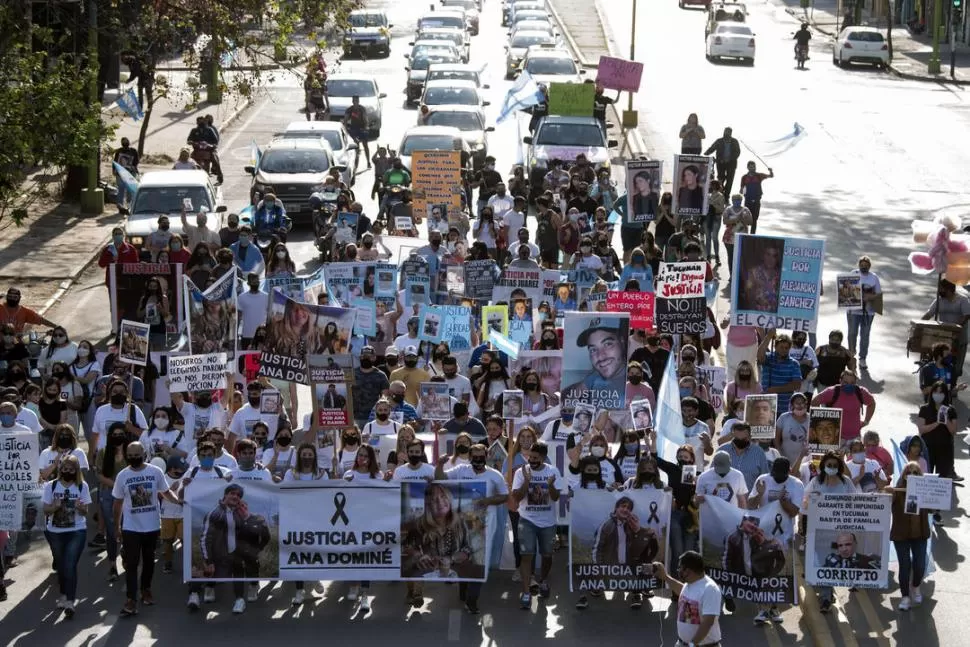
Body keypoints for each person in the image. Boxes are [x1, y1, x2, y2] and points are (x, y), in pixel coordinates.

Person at [435, 443, 510, 614]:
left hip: (485, 524)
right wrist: (439, 465)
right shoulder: (461, 470)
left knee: (479, 560)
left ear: (486, 456)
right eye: (474, 457)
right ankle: (464, 588)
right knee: (463, 557)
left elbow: (505, 496)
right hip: (461, 523)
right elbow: (441, 479)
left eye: (481, 456)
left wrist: (488, 501)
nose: (478, 460)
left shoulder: (494, 475)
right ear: (469, 457)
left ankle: (472, 599)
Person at [112, 442, 174, 617]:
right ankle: (131, 599)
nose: (133, 458)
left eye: (136, 454)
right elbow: (117, 503)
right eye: (130, 455)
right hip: (131, 528)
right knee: (131, 564)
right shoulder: (122, 476)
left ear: (144, 453)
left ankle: (146, 589)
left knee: (148, 562)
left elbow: (166, 492)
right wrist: (116, 526)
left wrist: (180, 502)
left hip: (152, 526)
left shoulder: (155, 472)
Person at [198, 483, 271, 615]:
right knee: (214, 575)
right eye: (232, 493)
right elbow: (205, 538)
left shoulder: (239, 515)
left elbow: (259, 534)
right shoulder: (215, 513)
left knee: (239, 574)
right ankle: (206, 589)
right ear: (225, 494)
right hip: (220, 555)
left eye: (238, 495)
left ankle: (239, 600)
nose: (235, 497)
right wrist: (208, 560)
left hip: (236, 554)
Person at [802, 450, 859, 612]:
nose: (832, 467)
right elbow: (805, 503)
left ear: (839, 467)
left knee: (833, 561)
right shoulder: (815, 482)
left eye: (835, 465)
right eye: (829, 465)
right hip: (819, 530)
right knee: (822, 561)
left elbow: (855, 502)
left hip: (839, 532)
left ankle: (828, 592)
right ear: (823, 466)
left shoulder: (846, 482)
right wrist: (813, 498)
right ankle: (826, 597)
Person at [511, 441, 564, 608]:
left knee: (547, 555)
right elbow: (516, 498)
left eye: (535, 458)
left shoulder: (553, 471)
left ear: (543, 457)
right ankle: (526, 593)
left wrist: (550, 486)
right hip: (527, 520)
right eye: (530, 457)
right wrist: (527, 482)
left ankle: (543, 580)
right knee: (527, 556)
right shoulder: (521, 472)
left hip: (548, 523)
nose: (531, 460)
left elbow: (555, 498)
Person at [42, 454, 90, 617]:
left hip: (76, 531)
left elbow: (85, 512)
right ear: (60, 469)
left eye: (70, 469)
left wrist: (80, 508)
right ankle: (63, 594)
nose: (67, 471)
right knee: (62, 566)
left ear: (76, 471)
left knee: (70, 565)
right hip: (55, 532)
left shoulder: (82, 486)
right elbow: (45, 510)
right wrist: (55, 507)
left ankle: (70, 601)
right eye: (64, 468)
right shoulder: (51, 486)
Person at [886, 461, 931, 610]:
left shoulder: (925, 492)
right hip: (901, 536)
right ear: (904, 476)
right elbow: (885, 500)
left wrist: (935, 498)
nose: (912, 475)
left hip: (920, 535)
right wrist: (888, 490)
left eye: (916, 473)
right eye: (908, 472)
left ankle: (916, 586)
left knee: (919, 565)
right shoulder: (897, 492)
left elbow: (933, 508)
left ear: (920, 476)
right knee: (904, 566)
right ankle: (905, 597)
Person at [655, 551, 722, 646]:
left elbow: (708, 622)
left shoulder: (710, 589)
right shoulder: (691, 582)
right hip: (683, 643)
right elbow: (683, 591)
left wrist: (692, 644)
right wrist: (665, 577)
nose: (678, 570)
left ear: (688, 570)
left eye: (680, 567)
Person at [562, 318, 628, 404]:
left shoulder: (633, 378)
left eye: (608, 344)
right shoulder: (595, 376)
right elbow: (568, 398)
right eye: (593, 350)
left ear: (622, 341)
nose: (600, 357)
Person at [921, 278, 970, 380]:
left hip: (959, 338)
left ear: (949, 289)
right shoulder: (939, 301)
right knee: (939, 360)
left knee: (956, 365)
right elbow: (929, 314)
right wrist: (918, 324)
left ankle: (953, 384)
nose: (939, 291)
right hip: (943, 336)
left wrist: (956, 329)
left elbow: (966, 316)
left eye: (941, 288)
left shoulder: (963, 300)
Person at [845, 255, 882, 370]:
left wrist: (868, 297)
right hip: (853, 312)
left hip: (868, 312)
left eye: (866, 266)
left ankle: (862, 358)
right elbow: (845, 290)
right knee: (852, 333)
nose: (863, 267)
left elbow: (878, 294)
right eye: (862, 265)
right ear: (859, 265)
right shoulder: (853, 274)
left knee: (865, 335)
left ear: (869, 267)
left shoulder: (874, 278)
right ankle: (851, 355)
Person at [757, 331, 802, 420]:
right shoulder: (768, 358)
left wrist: (776, 390)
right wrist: (769, 336)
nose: (784, 350)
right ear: (775, 346)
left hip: (784, 408)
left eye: (786, 348)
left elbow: (797, 384)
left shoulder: (794, 364)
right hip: (765, 406)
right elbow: (759, 355)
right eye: (781, 347)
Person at [704, 127, 742, 195]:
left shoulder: (735, 141)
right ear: (724, 132)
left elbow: (738, 152)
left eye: (728, 132)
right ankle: (720, 193)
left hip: (731, 164)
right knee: (721, 179)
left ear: (731, 133)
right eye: (726, 131)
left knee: (730, 180)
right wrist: (705, 155)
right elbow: (712, 148)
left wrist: (730, 159)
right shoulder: (719, 141)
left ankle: (727, 196)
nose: (727, 133)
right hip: (720, 163)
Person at [739, 161, 774, 234]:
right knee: (746, 218)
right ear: (747, 167)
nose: (752, 168)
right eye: (751, 167)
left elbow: (770, 176)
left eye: (754, 166)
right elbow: (741, 190)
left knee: (755, 219)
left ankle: (752, 235)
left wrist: (771, 171)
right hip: (747, 200)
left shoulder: (759, 176)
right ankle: (745, 234)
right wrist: (742, 191)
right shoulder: (744, 177)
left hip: (756, 200)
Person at [342, 95, 372, 169]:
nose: (356, 102)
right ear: (352, 101)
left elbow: (365, 119)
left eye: (357, 101)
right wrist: (345, 129)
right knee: (356, 146)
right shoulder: (349, 109)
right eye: (354, 101)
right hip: (353, 128)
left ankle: (368, 161)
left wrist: (366, 127)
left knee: (365, 145)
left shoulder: (362, 109)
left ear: (358, 101)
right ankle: (356, 164)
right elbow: (345, 120)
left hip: (362, 128)